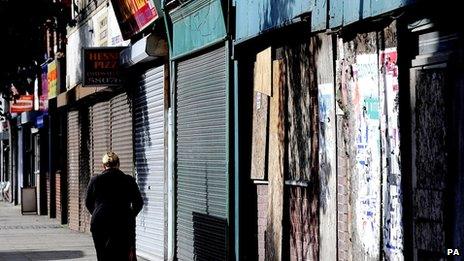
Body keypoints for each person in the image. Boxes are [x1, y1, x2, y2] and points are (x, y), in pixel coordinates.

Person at [85, 152, 143, 261]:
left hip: (100, 222)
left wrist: (98, 213)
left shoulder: (95, 180)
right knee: (124, 254)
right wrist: (130, 215)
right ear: (118, 164)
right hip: (123, 222)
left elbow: (88, 202)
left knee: (103, 254)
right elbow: (139, 203)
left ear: (103, 166)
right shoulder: (128, 180)